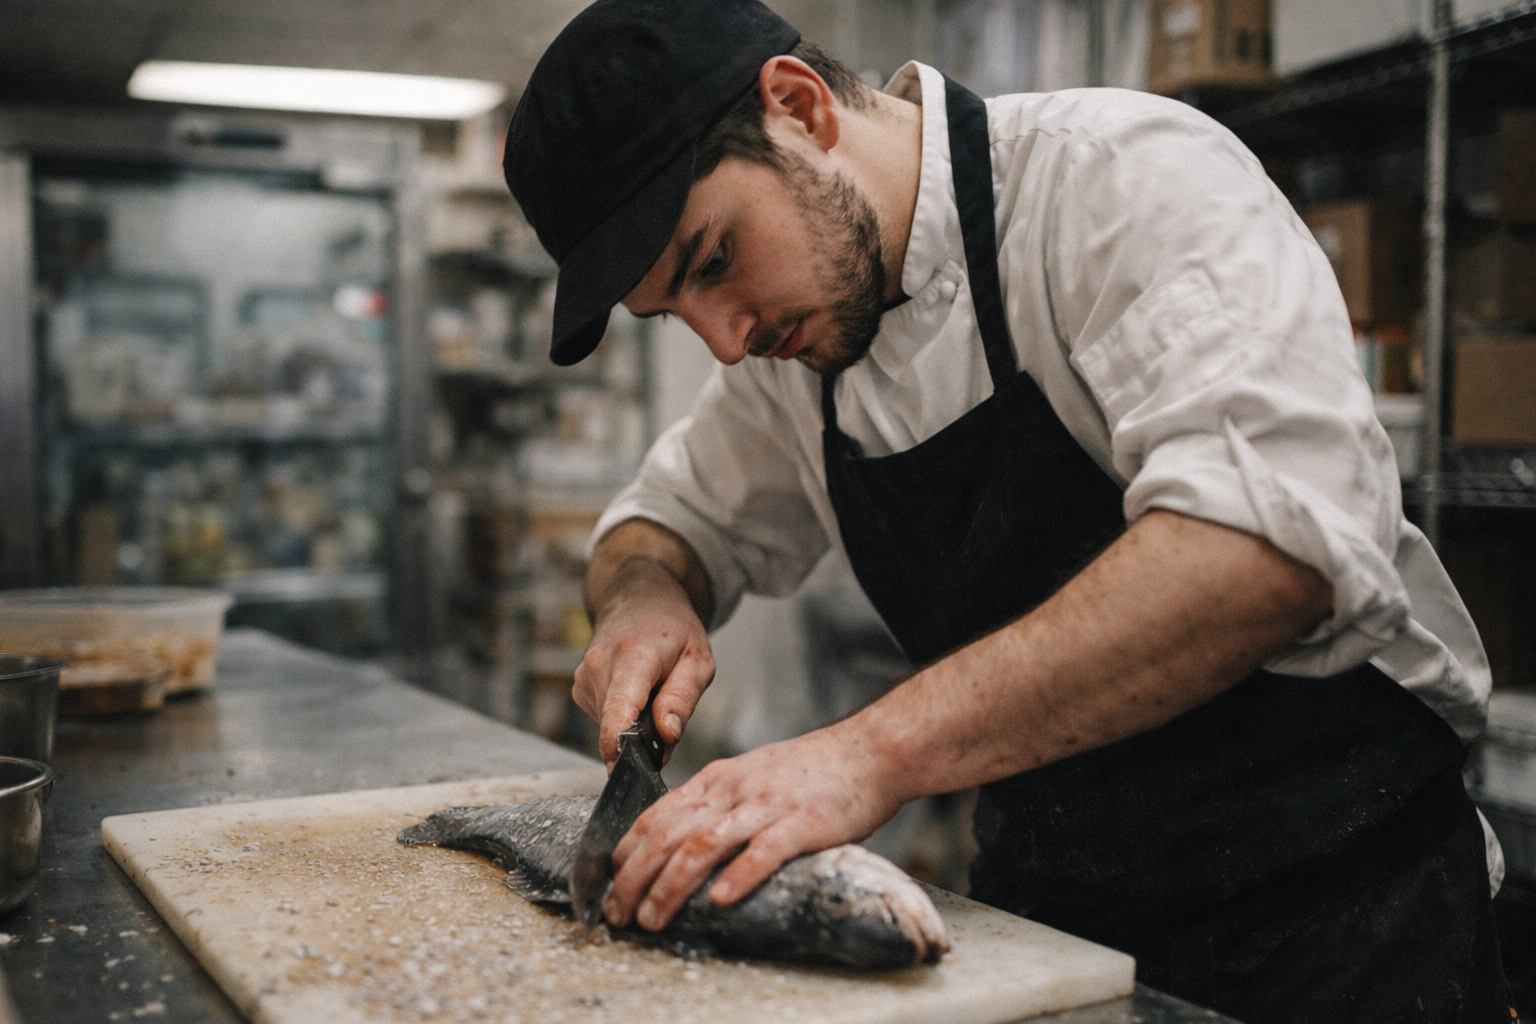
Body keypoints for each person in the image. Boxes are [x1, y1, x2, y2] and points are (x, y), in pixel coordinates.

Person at [502, 0, 1517, 1020]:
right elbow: (664, 521)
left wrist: (870, 753)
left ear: (800, 107)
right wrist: (643, 596)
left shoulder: (1116, 181)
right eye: (675, 309)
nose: (723, 339)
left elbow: (1262, 553)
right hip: (1055, 920)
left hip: (1339, 914)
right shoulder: (795, 349)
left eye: (713, 260)